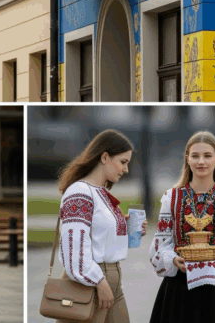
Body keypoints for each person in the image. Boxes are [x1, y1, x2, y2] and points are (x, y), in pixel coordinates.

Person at [149, 132, 215, 323]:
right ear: (187, 159)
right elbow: (160, 245)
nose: (201, 161)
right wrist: (173, 259)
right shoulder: (171, 197)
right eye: (195, 156)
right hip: (179, 287)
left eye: (207, 156)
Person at [56, 129, 146, 323]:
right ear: (105, 157)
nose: (126, 169)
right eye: (123, 162)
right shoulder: (79, 192)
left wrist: (125, 227)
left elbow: (99, 237)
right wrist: (98, 281)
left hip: (111, 282)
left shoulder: (99, 192)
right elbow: (74, 250)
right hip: (90, 283)